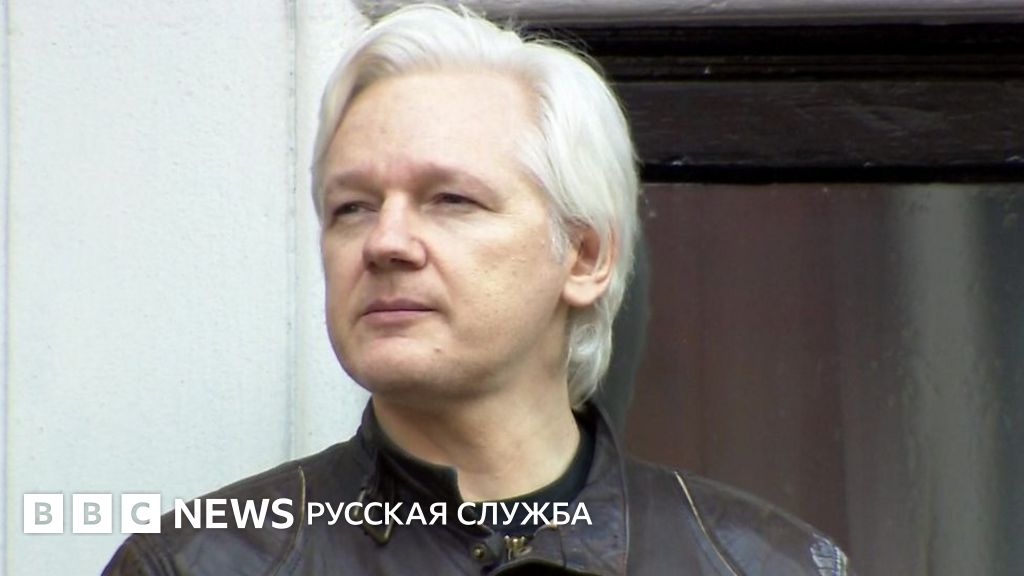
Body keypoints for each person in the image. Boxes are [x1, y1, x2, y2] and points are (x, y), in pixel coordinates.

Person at [104, 4, 851, 575]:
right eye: (352, 208)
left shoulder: (763, 565)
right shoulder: (198, 563)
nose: (385, 243)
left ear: (585, 256)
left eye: (451, 200)